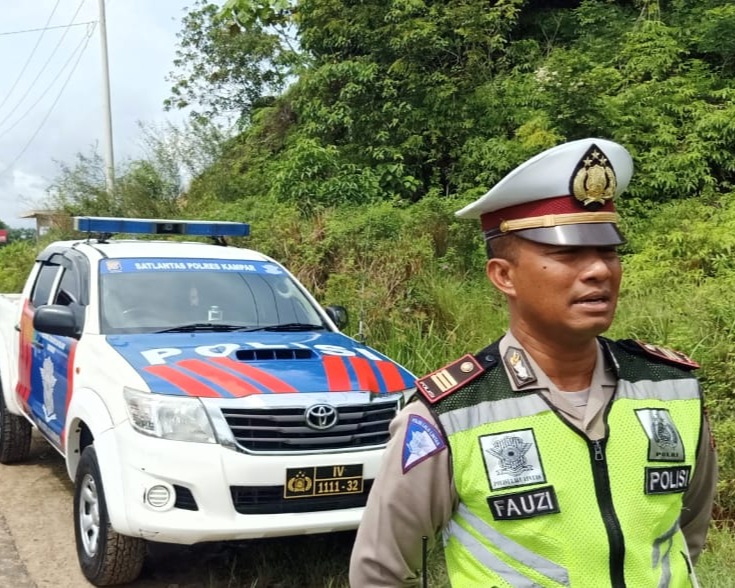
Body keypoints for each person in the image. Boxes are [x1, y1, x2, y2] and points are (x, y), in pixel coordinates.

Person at [349, 138, 718, 587]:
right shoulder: (449, 414)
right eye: (567, 254)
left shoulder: (672, 388)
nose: (599, 270)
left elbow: (686, 534)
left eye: (607, 251)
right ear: (504, 275)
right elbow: (380, 571)